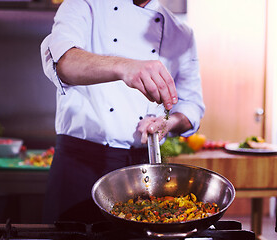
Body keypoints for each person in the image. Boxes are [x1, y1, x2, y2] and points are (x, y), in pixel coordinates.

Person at [40, 0, 205, 223]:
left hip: (141, 172)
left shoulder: (181, 33)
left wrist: (169, 122)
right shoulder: (84, 4)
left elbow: (191, 105)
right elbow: (63, 62)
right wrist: (123, 66)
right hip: (78, 165)